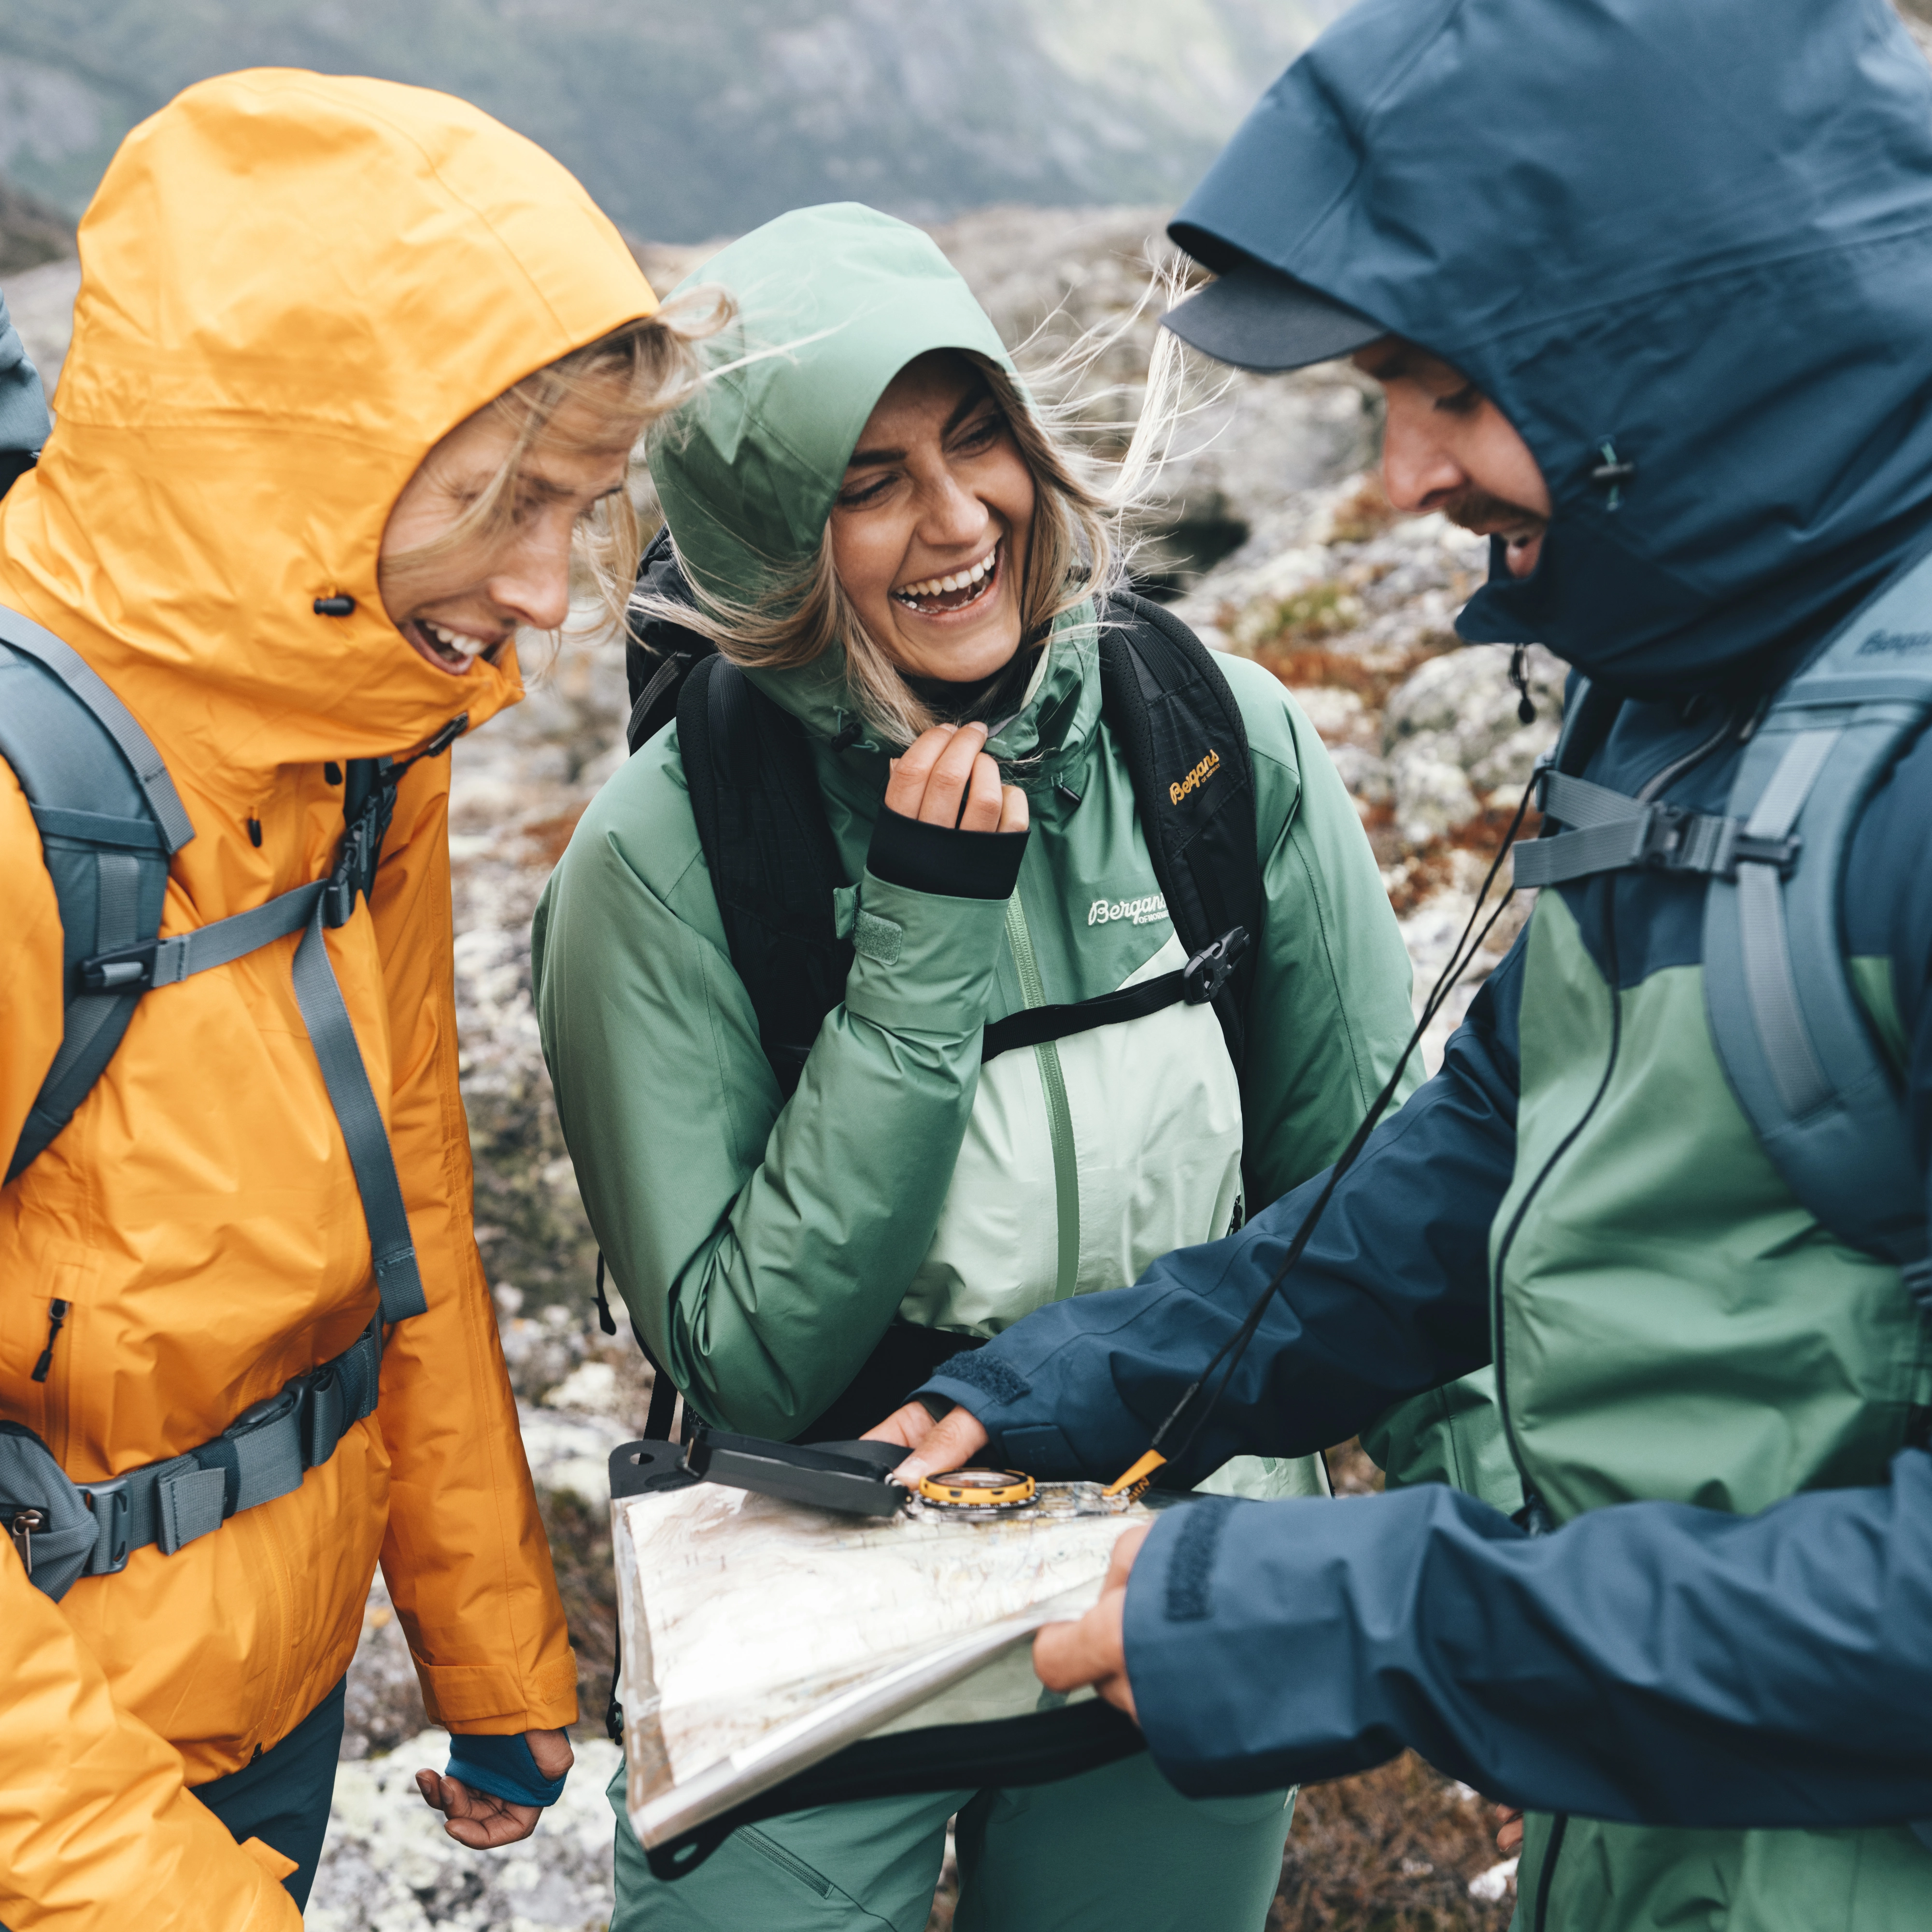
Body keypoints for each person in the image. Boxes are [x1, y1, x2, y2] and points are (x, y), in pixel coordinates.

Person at [882, 0, 1932, 1927]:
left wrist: (1370, 1610)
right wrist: (1079, 1383)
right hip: (1682, 1814)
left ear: (1674, 348)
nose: (1396, 477)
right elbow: (1489, 1158)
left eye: (1444, 391)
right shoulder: (1692, 686)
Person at [531, 200, 1491, 1931]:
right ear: (765, 528)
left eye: (980, 441)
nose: (959, 519)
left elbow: (1366, 1198)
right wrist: (922, 943)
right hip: (815, 1627)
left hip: (1163, 1590)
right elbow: (749, 1353)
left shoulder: (1215, 742)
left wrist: (1517, 1576)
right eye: (868, 480)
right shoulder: (665, 856)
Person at [0, 71, 720, 1928]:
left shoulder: (363, 735)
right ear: (317, 468)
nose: (555, 593)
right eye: (515, 505)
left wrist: (487, 1652)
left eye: (584, 512)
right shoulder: (23, 809)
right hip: (64, 1789)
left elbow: (406, 1197)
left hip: (274, 1703)